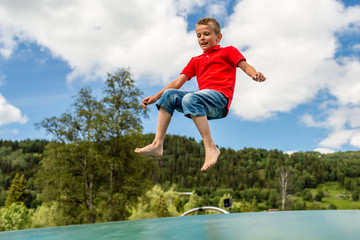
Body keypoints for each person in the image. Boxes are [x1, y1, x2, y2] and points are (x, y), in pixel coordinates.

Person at [134, 17, 266, 171]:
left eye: (207, 34)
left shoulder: (228, 51)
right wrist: (156, 97)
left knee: (191, 97)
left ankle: (211, 148)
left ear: (218, 37)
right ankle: (157, 144)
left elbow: (245, 66)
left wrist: (254, 74)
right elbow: (177, 82)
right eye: (199, 35)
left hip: (219, 100)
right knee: (169, 94)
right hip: (201, 102)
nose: (202, 38)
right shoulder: (196, 61)